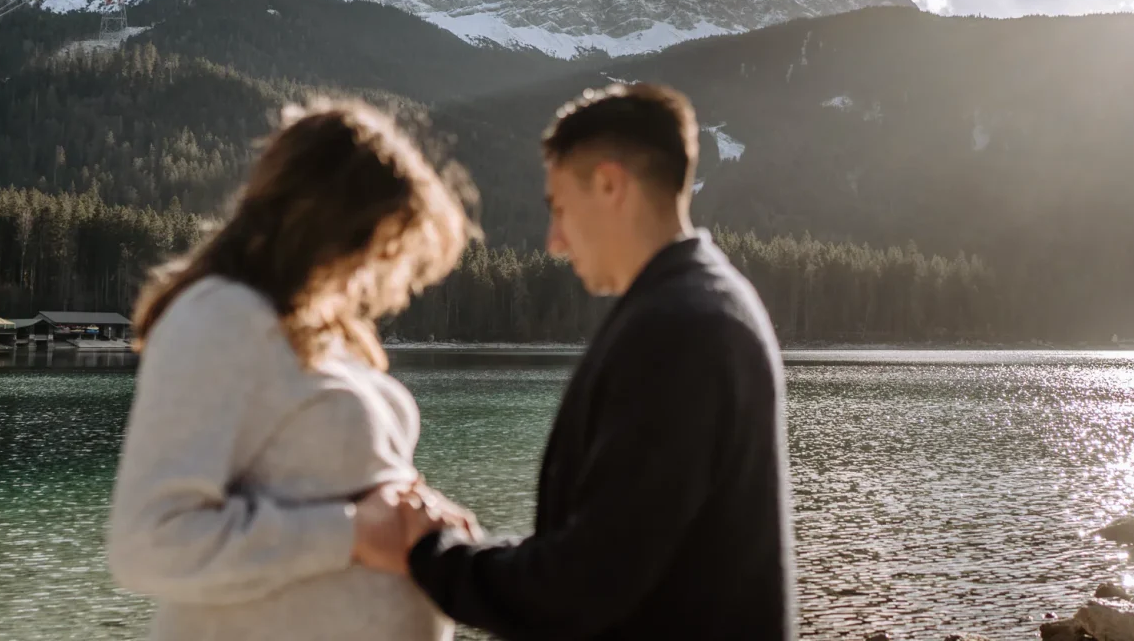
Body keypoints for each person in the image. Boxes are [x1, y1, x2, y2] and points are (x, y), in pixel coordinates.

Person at [354, 83, 796, 640]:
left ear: (611, 185)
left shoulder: (680, 329)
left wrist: (429, 552)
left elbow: (587, 584)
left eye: (560, 209)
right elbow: (613, 549)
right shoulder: (698, 305)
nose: (554, 241)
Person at [108, 98, 481, 641]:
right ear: (335, 225)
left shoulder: (322, 335)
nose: (386, 277)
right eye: (385, 247)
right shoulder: (220, 316)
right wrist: (350, 535)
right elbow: (150, 543)